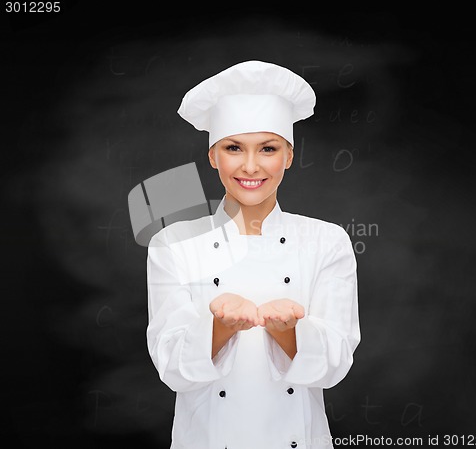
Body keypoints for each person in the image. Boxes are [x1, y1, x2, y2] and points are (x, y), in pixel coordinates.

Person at [146, 60, 360, 449]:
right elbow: (171, 367)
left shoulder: (327, 241)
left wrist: (288, 333)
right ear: (213, 156)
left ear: (289, 156)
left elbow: (335, 364)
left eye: (268, 148)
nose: (250, 166)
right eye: (233, 148)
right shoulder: (172, 244)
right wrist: (220, 328)